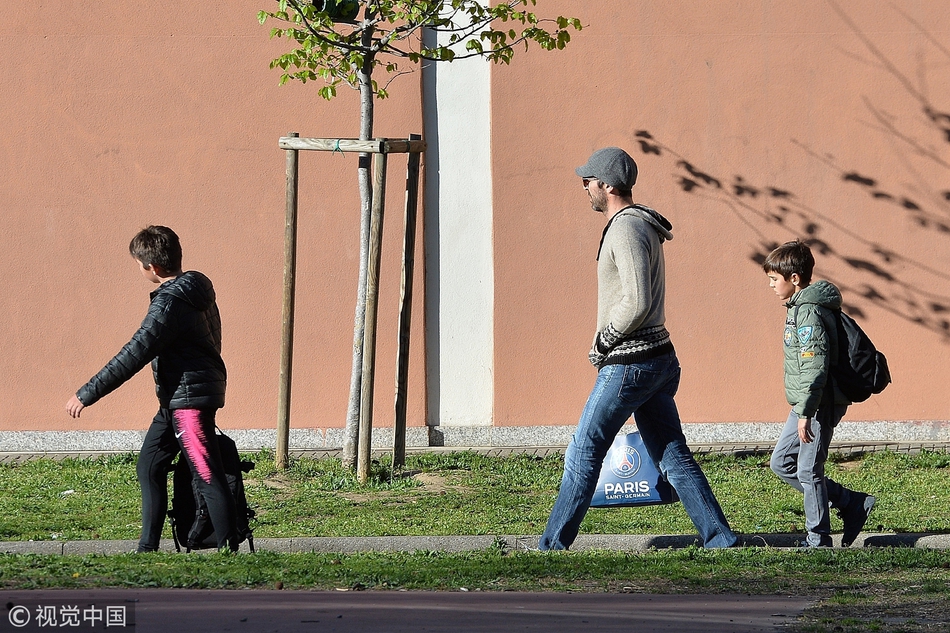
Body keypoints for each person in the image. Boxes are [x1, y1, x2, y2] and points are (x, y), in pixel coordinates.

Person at [539, 147, 738, 550]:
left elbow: (637, 300)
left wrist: (603, 341)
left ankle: (552, 546)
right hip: (655, 359)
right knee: (672, 455)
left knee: (584, 449)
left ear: (608, 185)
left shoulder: (626, 229)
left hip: (632, 363)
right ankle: (720, 538)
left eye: (589, 181)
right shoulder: (637, 225)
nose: (584, 187)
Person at [66, 226, 237, 553]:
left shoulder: (170, 304)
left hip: (188, 402)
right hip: (176, 399)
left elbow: (135, 353)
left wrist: (86, 394)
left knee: (206, 473)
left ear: (152, 267)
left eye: (138, 265)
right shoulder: (197, 286)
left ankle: (229, 550)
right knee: (150, 465)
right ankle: (147, 548)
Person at [763, 240, 876, 548]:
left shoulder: (809, 312)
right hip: (807, 402)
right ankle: (851, 502)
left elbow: (815, 366)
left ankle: (818, 539)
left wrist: (806, 412)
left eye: (774, 279)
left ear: (794, 278)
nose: (771, 285)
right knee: (781, 463)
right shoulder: (800, 308)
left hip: (818, 403)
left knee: (808, 470)